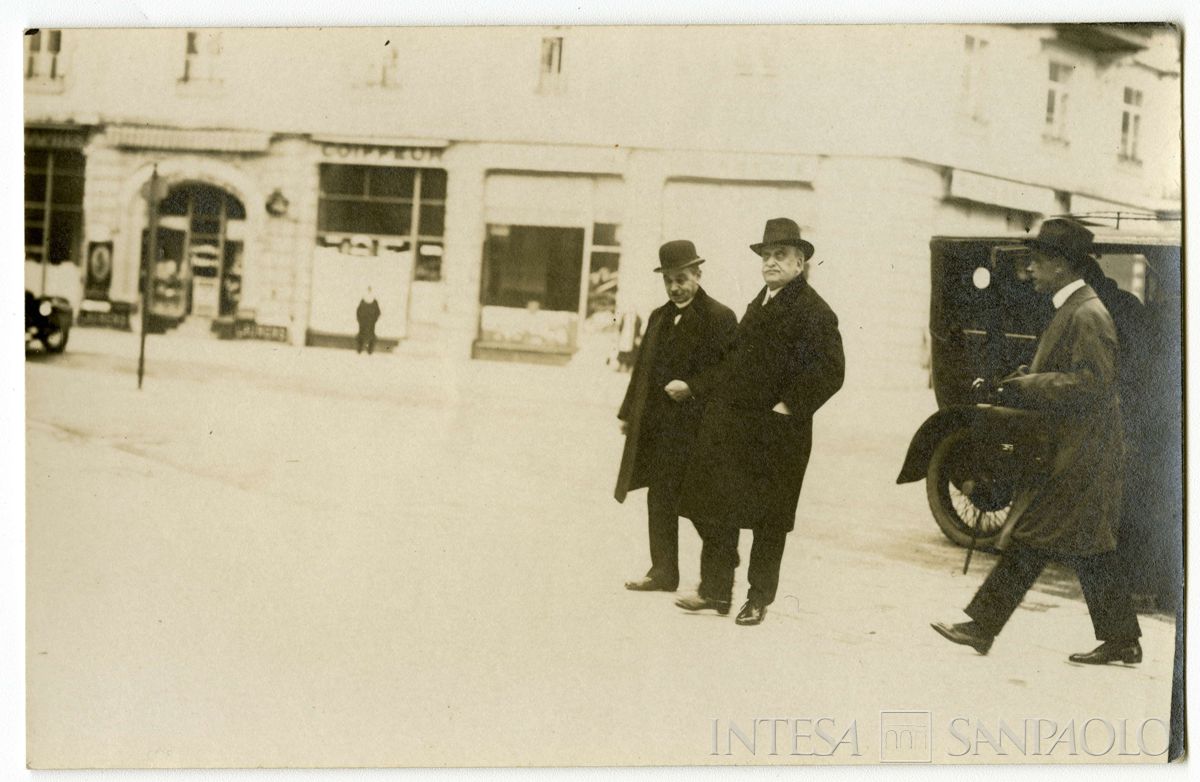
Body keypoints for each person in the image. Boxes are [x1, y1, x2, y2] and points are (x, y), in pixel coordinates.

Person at [931, 217, 1142, 665]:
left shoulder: (1087, 313)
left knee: (1030, 536)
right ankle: (1123, 638)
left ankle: (981, 627)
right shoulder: (1075, 307)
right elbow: (1075, 376)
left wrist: (1030, 385)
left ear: (1063, 266)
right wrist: (1032, 377)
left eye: (1037, 263)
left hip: (1080, 455)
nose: (1029, 272)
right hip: (1081, 450)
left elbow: (1092, 384)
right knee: (1092, 546)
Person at [674, 218, 845, 625]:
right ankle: (716, 590)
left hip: (778, 432)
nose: (770, 262)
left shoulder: (814, 311)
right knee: (715, 504)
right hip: (736, 426)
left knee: (769, 521)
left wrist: (789, 407)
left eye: (780, 255)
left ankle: (758, 598)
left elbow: (832, 371)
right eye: (766, 255)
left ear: (800, 263)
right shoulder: (761, 301)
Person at [615, 240, 737, 593]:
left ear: (698, 274)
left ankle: (723, 556)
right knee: (660, 498)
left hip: (699, 428)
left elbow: (731, 370)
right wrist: (628, 414)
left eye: (681, 278)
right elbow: (642, 370)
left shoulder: (719, 317)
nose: (674, 287)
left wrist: (693, 387)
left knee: (699, 501)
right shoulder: (659, 316)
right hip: (659, 428)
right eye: (668, 280)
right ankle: (663, 572)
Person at [356, 287, 381, 354]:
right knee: (364, 334)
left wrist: (374, 319)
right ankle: (362, 349)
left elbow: (378, 312)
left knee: (368, 334)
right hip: (366, 321)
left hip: (368, 321)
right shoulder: (365, 301)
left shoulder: (370, 301)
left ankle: (366, 349)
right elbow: (358, 311)